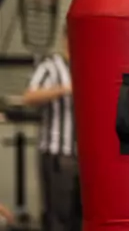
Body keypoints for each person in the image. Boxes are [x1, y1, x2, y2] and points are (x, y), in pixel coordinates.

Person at [22, 26, 82, 231]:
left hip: (83, 156)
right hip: (58, 154)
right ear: (66, 39)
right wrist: (64, 89)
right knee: (58, 216)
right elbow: (29, 96)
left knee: (79, 216)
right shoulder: (52, 67)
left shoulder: (86, 66)